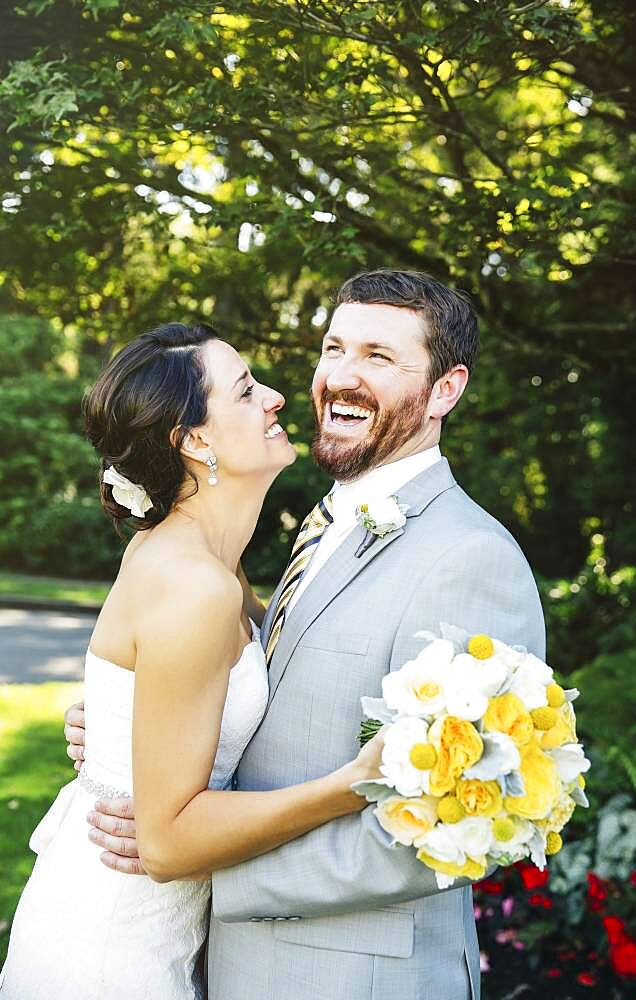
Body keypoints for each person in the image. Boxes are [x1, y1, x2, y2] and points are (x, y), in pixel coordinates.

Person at [63, 270, 545, 1000]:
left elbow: (452, 823)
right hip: (216, 967)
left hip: (353, 977)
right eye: (334, 348)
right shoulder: (316, 528)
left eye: (379, 358)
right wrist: (127, 727)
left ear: (446, 389)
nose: (342, 377)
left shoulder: (470, 559)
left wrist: (204, 871)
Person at [0, 322, 384, 1000]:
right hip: (112, 951)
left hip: (141, 926)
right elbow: (168, 844)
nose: (275, 398)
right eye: (244, 391)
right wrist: (353, 784)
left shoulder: (207, 563)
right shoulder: (196, 586)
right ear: (194, 441)